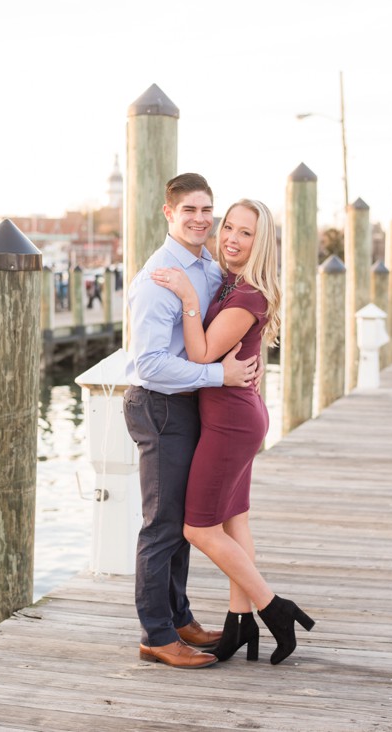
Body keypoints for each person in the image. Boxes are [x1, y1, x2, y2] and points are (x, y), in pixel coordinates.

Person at [150, 198, 315, 665]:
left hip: (229, 420)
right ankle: (237, 623)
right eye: (229, 227)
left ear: (260, 243)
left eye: (245, 233)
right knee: (233, 520)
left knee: (198, 529)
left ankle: (273, 608)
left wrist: (185, 296)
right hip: (238, 413)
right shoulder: (231, 284)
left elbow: (201, 355)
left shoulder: (247, 296)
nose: (231, 238)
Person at [124, 173, 259, 670]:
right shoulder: (159, 276)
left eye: (208, 210)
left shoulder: (205, 266)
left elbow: (224, 323)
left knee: (182, 523)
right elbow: (150, 364)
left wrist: (244, 361)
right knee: (161, 526)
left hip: (190, 403)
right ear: (168, 214)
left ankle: (180, 618)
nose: (201, 219)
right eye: (189, 211)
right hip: (159, 405)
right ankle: (156, 635)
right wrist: (217, 374)